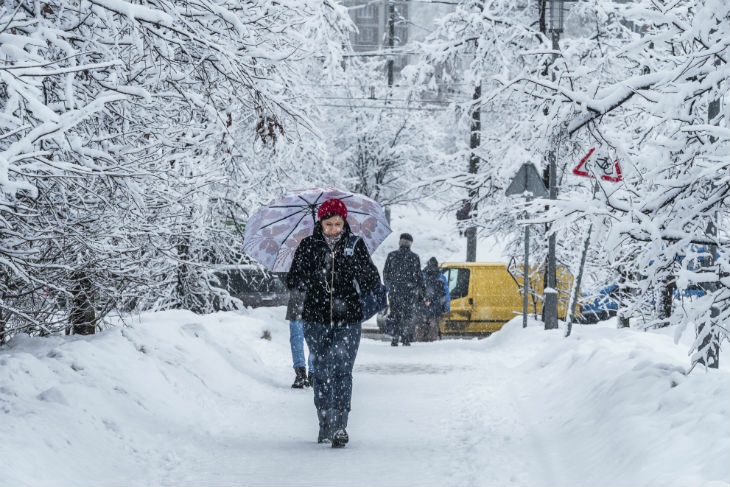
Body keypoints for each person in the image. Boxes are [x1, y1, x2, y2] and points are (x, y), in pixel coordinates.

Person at [286, 197, 382, 448]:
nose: (333, 230)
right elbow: (293, 281)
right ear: (320, 223)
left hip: (347, 320)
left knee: (342, 370)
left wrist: (360, 304)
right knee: (321, 371)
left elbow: (372, 280)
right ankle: (324, 423)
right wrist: (308, 278)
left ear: (344, 222)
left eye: (338, 224)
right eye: (328, 224)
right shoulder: (307, 246)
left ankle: (340, 425)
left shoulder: (355, 245)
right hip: (315, 320)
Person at [383, 233, 424, 346]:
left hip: (395, 291)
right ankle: (405, 337)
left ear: (399, 242)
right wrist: (419, 290)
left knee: (395, 314)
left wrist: (390, 286)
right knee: (407, 315)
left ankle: (395, 336)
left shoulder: (392, 255)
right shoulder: (414, 257)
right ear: (410, 244)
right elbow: (418, 276)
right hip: (409, 292)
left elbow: (386, 273)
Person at [285, 289, 314, 388]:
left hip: (309, 306)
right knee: (311, 342)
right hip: (304, 306)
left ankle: (306, 374)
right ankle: (306, 374)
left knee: (300, 341)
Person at [416, 257, 450, 342]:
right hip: (435, 308)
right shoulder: (441, 277)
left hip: (422, 307)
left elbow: (417, 291)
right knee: (433, 327)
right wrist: (446, 308)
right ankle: (431, 343)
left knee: (420, 327)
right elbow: (445, 295)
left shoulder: (421, 275)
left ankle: (419, 342)